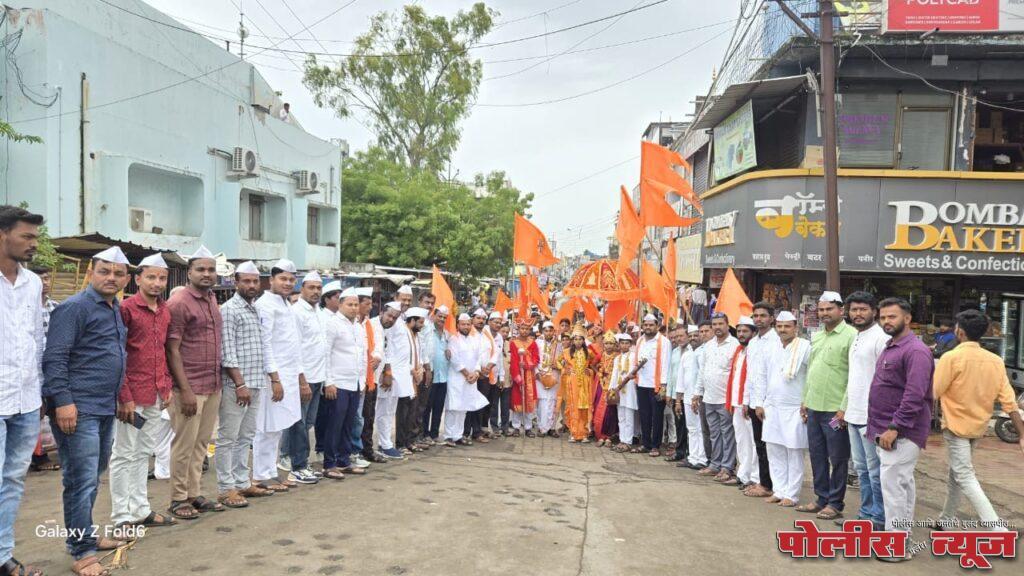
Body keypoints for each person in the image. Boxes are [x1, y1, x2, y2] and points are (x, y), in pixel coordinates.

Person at [43, 247, 130, 575]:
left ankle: (86, 536)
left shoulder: (114, 307)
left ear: (126, 278)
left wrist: (120, 397)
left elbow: (114, 356)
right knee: (80, 480)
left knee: (93, 476)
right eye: (104, 271)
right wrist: (63, 401)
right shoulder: (74, 308)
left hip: (104, 406)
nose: (111, 278)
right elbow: (55, 357)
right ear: (91, 273)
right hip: (78, 409)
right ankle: (82, 552)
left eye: (118, 273)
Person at [935, 309, 1024, 531]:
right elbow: (1009, 400)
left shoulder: (951, 357)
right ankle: (946, 519)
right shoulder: (995, 360)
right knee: (957, 474)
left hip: (955, 427)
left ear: (960, 332)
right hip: (978, 427)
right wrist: (1022, 434)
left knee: (963, 475)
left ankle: (996, 527)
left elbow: (934, 392)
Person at [108, 253, 177, 528]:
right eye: (150, 277)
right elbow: (118, 354)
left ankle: (140, 509)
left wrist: (167, 385)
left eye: (162, 278)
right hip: (131, 395)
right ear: (137, 279)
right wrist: (123, 395)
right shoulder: (126, 309)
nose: (157, 283)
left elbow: (163, 352)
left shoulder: (164, 310)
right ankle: (121, 515)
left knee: (143, 452)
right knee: (123, 453)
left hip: (156, 392)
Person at [868, 297, 934, 562]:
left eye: (892, 317)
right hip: (886, 428)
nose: (886, 321)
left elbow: (915, 394)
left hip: (901, 431)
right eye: (883, 317)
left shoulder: (915, 351)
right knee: (901, 485)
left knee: (894, 487)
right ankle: (900, 540)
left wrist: (895, 427)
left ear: (907, 318)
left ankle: (896, 546)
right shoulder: (891, 345)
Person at [0, 205, 46, 576]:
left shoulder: (32, 284)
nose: (33, 244)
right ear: (2, 234)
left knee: (14, 479)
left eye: (35, 237)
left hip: (26, 398)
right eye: (26, 236)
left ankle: (2, 555)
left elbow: (37, 338)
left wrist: (42, 392)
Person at [166, 246, 225, 520]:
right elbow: (172, 349)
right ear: (189, 272)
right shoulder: (179, 302)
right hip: (189, 387)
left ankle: (194, 493)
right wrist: (185, 389)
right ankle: (178, 499)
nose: (207, 274)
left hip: (212, 383)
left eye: (211, 269)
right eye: (200, 269)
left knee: (202, 443)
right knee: (184, 444)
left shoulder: (212, 299)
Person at [214, 261, 275, 509]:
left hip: (256, 382)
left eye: (255, 281)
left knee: (246, 435)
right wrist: (240, 384)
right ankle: (224, 488)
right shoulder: (230, 310)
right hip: (236, 385)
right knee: (228, 437)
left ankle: (241, 481)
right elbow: (227, 350)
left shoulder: (254, 309)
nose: (251, 285)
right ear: (236, 282)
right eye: (246, 281)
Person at [797, 291, 855, 520]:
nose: (824, 313)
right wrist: (805, 399)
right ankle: (820, 498)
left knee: (838, 456)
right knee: (816, 454)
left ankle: (835, 502)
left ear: (841, 310)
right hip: (814, 408)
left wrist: (844, 407)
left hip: (835, 411)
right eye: (821, 310)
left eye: (829, 309)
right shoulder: (818, 335)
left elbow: (854, 375)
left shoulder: (851, 336)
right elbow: (811, 371)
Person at [253, 259, 306, 490]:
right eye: (283, 278)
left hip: (288, 374)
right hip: (273, 376)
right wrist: (274, 378)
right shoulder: (265, 305)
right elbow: (264, 345)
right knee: (266, 426)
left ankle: (270, 470)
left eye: (291, 279)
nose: (287, 283)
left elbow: (293, 345)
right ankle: (260, 475)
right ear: (271, 280)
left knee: (278, 425)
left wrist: (299, 377)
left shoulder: (285, 304)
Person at [838, 291, 888, 529]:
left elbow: (884, 379)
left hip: (872, 417)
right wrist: (845, 409)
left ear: (874, 312)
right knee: (861, 470)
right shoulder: (857, 336)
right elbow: (854, 378)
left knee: (875, 471)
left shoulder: (880, 337)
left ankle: (879, 518)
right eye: (854, 310)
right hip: (854, 414)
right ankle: (866, 514)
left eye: (863, 309)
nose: (857, 314)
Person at [761, 311, 811, 507]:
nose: (782, 330)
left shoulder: (805, 347)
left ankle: (792, 494)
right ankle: (779, 490)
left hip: (794, 407)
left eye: (787, 326)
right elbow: (765, 376)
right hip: (772, 406)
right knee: (774, 450)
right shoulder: (772, 348)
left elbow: (811, 376)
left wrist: (806, 401)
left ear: (795, 328)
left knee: (794, 451)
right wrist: (762, 402)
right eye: (779, 326)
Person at [321, 287, 368, 480]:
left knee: (349, 423)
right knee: (335, 424)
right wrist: (328, 382)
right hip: (338, 383)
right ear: (340, 305)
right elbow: (325, 353)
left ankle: (344, 460)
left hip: (355, 383)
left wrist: (363, 380)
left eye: (356, 304)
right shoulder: (333, 324)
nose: (354, 308)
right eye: (350, 304)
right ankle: (329, 463)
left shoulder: (358, 326)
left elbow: (362, 355)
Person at [285, 270, 327, 484]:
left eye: (319, 288)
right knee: (299, 424)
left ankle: (294, 458)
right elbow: (295, 349)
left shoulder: (318, 312)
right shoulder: (296, 312)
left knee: (308, 422)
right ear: (302, 289)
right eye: (311, 287)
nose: (315, 291)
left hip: (318, 376)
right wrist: (302, 381)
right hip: (304, 377)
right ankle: (298, 466)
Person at [693, 313, 740, 483]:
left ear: (728, 325)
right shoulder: (709, 345)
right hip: (709, 397)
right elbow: (702, 371)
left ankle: (727, 467)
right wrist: (697, 393)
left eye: (721, 323)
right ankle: (715, 464)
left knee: (727, 433)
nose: (717, 327)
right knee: (714, 433)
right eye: (715, 324)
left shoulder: (734, 345)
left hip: (725, 398)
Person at [743, 302, 780, 498]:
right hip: (753, 402)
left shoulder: (776, 341)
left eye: (763, 315)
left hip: (767, 404)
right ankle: (763, 482)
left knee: (769, 445)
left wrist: (762, 403)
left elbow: (772, 376)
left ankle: (769, 485)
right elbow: (751, 374)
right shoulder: (753, 342)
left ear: (771, 318)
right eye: (755, 316)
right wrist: (746, 401)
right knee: (759, 443)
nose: (758, 319)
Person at [29, 266, 60, 474]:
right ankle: (38, 457)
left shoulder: (56, 307)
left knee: (52, 411)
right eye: (41, 278)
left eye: (48, 278)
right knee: (34, 414)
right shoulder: (26, 307)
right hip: (30, 368)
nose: (45, 282)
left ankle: (46, 452)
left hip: (52, 367)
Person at [725, 317, 760, 489]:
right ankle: (743, 474)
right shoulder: (739, 351)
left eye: (745, 331)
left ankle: (755, 477)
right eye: (739, 331)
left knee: (754, 442)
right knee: (741, 440)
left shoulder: (756, 351)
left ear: (753, 333)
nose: (741, 334)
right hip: (736, 402)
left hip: (750, 403)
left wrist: (747, 401)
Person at [443, 314, 488, 446]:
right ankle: (448, 436)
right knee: (453, 407)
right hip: (457, 378)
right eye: (463, 324)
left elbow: (480, 357)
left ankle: (458, 435)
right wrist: (467, 373)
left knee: (464, 407)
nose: (466, 326)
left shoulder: (475, 340)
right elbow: (454, 359)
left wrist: (476, 372)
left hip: (471, 379)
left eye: (468, 324)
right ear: (458, 325)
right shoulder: (453, 339)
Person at [376, 303, 414, 459]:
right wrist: (387, 372)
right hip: (383, 375)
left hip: (396, 375)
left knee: (389, 411)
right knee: (379, 411)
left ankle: (385, 443)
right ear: (382, 312)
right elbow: (384, 350)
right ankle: (382, 444)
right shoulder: (376, 325)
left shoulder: (398, 325)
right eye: (389, 315)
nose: (391, 319)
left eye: (394, 317)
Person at [393, 307, 428, 454]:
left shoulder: (416, 335)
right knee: (403, 413)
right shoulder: (402, 333)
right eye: (420, 322)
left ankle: (409, 441)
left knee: (412, 412)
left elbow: (417, 356)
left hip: (414, 378)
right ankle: (400, 444)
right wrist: (412, 370)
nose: (422, 325)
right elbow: (398, 356)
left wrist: (420, 369)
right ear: (412, 320)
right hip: (403, 377)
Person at [634, 315, 670, 456]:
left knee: (657, 417)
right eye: (646, 325)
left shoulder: (664, 341)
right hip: (642, 383)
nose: (648, 327)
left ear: (657, 325)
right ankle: (646, 444)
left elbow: (665, 364)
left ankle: (655, 446)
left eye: (651, 325)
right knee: (644, 415)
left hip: (656, 386)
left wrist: (663, 385)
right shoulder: (640, 341)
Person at [358, 287, 385, 464]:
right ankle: (356, 450)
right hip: (356, 378)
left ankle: (366, 449)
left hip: (371, 378)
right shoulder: (352, 324)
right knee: (356, 418)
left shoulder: (372, 324)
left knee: (368, 416)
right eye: (366, 304)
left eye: (370, 304)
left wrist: (376, 357)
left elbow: (379, 347)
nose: (369, 307)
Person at [558, 324, 597, 443]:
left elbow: (595, 365)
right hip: (572, 382)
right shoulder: (566, 352)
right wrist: (565, 369)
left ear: (583, 340)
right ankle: (574, 433)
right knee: (573, 406)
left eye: (580, 339)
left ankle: (584, 433)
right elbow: (558, 362)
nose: (578, 341)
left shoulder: (589, 353)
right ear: (572, 340)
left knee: (584, 407)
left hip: (585, 382)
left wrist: (589, 371)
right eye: (575, 339)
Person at [675, 326, 706, 469]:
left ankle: (702, 458)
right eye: (691, 336)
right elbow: (680, 380)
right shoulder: (686, 355)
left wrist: (697, 395)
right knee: (691, 428)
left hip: (700, 398)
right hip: (687, 398)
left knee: (701, 429)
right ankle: (693, 457)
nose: (693, 338)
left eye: (696, 335)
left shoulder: (704, 353)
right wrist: (678, 400)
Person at [410, 292, 437, 447]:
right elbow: (421, 349)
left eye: (432, 303)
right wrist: (426, 368)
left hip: (429, 367)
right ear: (419, 301)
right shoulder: (416, 320)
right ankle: (412, 437)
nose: (430, 305)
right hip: (419, 368)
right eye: (427, 302)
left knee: (422, 405)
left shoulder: (429, 321)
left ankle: (418, 435)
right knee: (415, 405)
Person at [508, 318, 539, 437]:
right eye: (522, 328)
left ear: (529, 330)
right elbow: (513, 360)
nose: (524, 331)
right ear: (518, 329)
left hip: (529, 376)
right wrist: (517, 377)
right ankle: (516, 427)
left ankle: (528, 427)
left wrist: (526, 365)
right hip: (518, 376)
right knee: (517, 402)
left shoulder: (533, 343)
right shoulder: (513, 343)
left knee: (529, 402)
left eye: (527, 329)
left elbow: (536, 359)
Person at [423, 305, 450, 442]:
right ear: (434, 316)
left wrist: (450, 353)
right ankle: (424, 434)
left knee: (438, 408)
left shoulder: (447, 334)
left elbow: (450, 355)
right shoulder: (427, 331)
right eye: (440, 316)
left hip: (443, 377)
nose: (442, 319)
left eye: (445, 317)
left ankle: (434, 434)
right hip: (430, 375)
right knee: (427, 407)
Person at [610, 334, 638, 452]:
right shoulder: (617, 358)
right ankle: (622, 440)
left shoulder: (634, 357)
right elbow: (614, 374)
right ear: (619, 344)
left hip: (630, 389)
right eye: (622, 343)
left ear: (631, 344)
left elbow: (637, 373)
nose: (624, 345)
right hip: (619, 390)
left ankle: (628, 441)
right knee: (621, 416)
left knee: (629, 416)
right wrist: (612, 388)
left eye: (627, 343)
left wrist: (633, 377)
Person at [535, 321, 561, 437]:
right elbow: (534, 360)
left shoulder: (559, 345)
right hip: (540, 376)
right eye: (546, 330)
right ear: (542, 332)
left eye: (551, 330)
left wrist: (558, 366)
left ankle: (551, 427)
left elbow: (563, 361)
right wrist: (537, 374)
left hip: (554, 375)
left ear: (554, 332)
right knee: (542, 402)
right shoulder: (537, 343)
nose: (548, 333)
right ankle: (542, 427)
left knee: (553, 401)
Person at [593, 331, 619, 446]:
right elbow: (592, 364)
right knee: (598, 407)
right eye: (607, 343)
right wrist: (598, 372)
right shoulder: (601, 355)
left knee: (611, 410)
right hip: (601, 385)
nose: (609, 346)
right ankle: (600, 435)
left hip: (612, 386)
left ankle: (609, 436)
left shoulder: (618, 356)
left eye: (611, 344)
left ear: (615, 345)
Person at [482, 312, 505, 437]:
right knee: (482, 402)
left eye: (499, 322)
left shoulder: (500, 337)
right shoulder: (483, 334)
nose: (498, 324)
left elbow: (500, 357)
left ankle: (485, 428)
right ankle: (477, 429)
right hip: (483, 374)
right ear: (489, 322)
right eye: (495, 322)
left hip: (494, 375)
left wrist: (501, 376)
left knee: (491, 403)